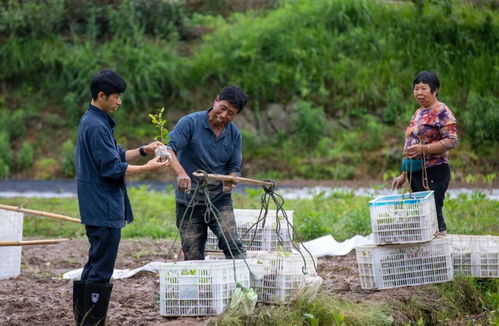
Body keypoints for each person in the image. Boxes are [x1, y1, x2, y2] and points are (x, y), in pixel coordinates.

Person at [73, 69, 169, 325]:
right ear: (102, 95)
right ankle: (92, 321)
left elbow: (116, 156)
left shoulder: (96, 120)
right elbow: (112, 168)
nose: (119, 102)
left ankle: (84, 320)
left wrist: (143, 151)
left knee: (95, 264)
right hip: (103, 207)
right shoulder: (95, 125)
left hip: (98, 205)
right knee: (101, 269)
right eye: (116, 97)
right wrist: (148, 169)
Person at [166, 85, 248, 260]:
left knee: (232, 243)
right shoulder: (190, 123)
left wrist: (232, 179)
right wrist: (181, 173)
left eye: (231, 113)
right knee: (193, 254)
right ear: (216, 100)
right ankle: (198, 286)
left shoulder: (234, 134)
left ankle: (244, 283)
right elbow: (169, 150)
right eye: (223, 108)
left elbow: (235, 168)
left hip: (218, 199)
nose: (224, 115)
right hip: (189, 201)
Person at [392, 71, 458, 236]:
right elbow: (410, 144)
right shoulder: (418, 113)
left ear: (435, 90)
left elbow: (452, 140)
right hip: (415, 172)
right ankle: (425, 257)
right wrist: (403, 175)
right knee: (421, 219)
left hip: (435, 170)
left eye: (423, 88)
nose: (419, 93)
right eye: (416, 89)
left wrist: (425, 149)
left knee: (434, 215)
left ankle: (440, 255)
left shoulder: (442, 112)